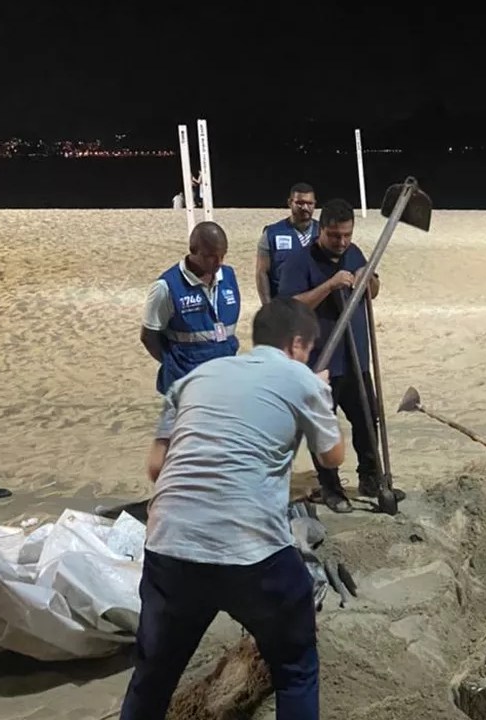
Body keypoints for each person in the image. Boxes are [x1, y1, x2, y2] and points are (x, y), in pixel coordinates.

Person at [118, 297, 344, 720]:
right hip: (251, 553)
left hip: (170, 544)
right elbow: (332, 457)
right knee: (296, 666)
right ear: (296, 345)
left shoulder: (195, 378)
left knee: (153, 677)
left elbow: (155, 467)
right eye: (308, 350)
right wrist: (322, 395)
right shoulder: (302, 379)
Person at [277, 198, 403, 514]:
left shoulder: (355, 253)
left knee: (366, 420)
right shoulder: (299, 261)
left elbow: (372, 291)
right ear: (322, 230)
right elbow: (290, 308)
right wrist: (330, 285)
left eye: (347, 235)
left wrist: (369, 281)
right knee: (325, 429)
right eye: (335, 236)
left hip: (356, 357)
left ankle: (371, 480)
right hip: (321, 363)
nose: (342, 242)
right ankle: (331, 488)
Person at [140, 221, 240, 395]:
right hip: (185, 386)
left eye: (222, 255)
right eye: (210, 256)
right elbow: (149, 337)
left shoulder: (229, 277)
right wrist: (174, 365)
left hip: (224, 380)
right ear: (193, 250)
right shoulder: (165, 287)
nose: (218, 262)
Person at [257, 183, 321, 305]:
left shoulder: (323, 232)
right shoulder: (272, 234)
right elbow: (262, 272)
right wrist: (267, 306)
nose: (305, 207)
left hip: (317, 305)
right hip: (284, 305)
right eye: (300, 203)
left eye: (309, 203)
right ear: (290, 202)